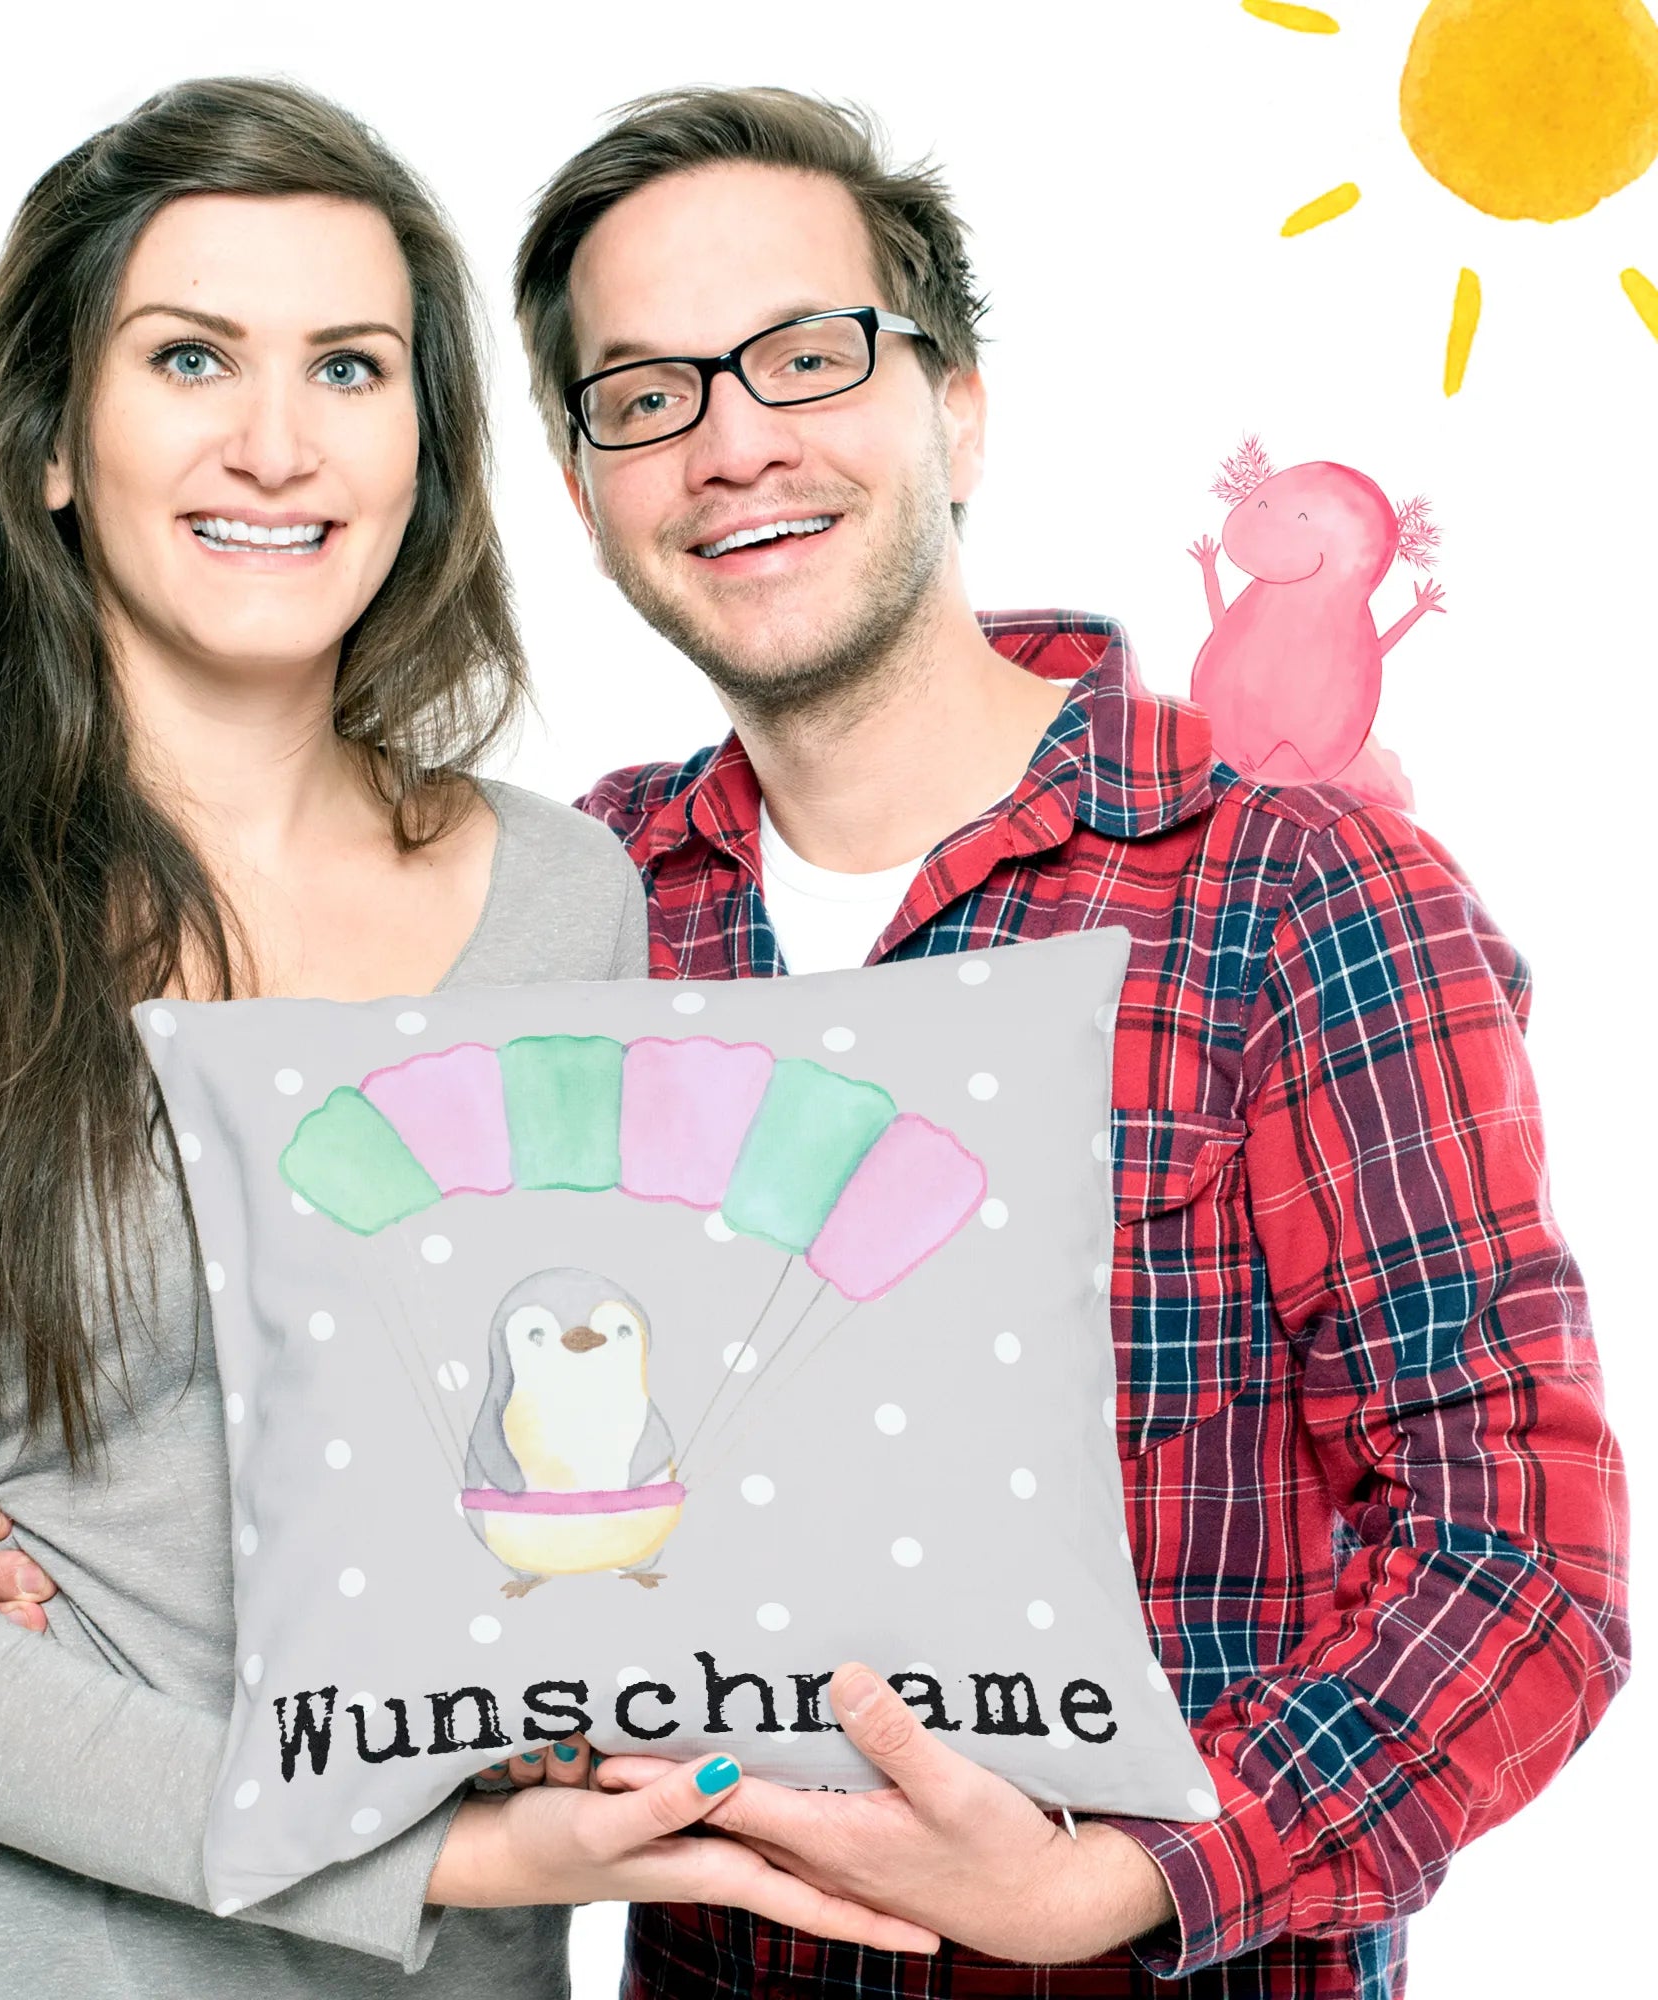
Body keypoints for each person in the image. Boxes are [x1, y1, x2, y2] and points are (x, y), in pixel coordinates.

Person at [0, 76, 937, 2000]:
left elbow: (597, 1495)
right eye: (191, 356)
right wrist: (448, 1846)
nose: (276, 445)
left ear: (424, 448)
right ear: (52, 440)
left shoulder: (570, 901)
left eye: (349, 368)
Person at [508, 88, 1630, 1997]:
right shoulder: (581, 903)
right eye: (646, 393)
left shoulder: (1296, 890)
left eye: (805, 354)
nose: (733, 441)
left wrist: (1116, 1878)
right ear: (585, 485)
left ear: (956, 408)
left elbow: (1521, 1568)